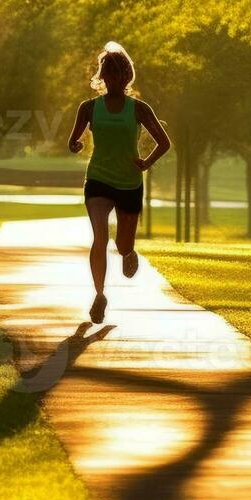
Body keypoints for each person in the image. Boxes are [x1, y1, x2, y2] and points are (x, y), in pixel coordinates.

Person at [67, 42, 171, 323]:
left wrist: (146, 163)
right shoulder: (88, 108)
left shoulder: (139, 109)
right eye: (109, 74)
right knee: (99, 237)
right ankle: (99, 295)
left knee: (122, 244)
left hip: (129, 182)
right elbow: (73, 140)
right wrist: (76, 144)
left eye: (119, 74)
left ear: (127, 77)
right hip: (99, 179)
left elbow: (164, 142)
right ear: (102, 76)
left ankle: (128, 250)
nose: (113, 79)